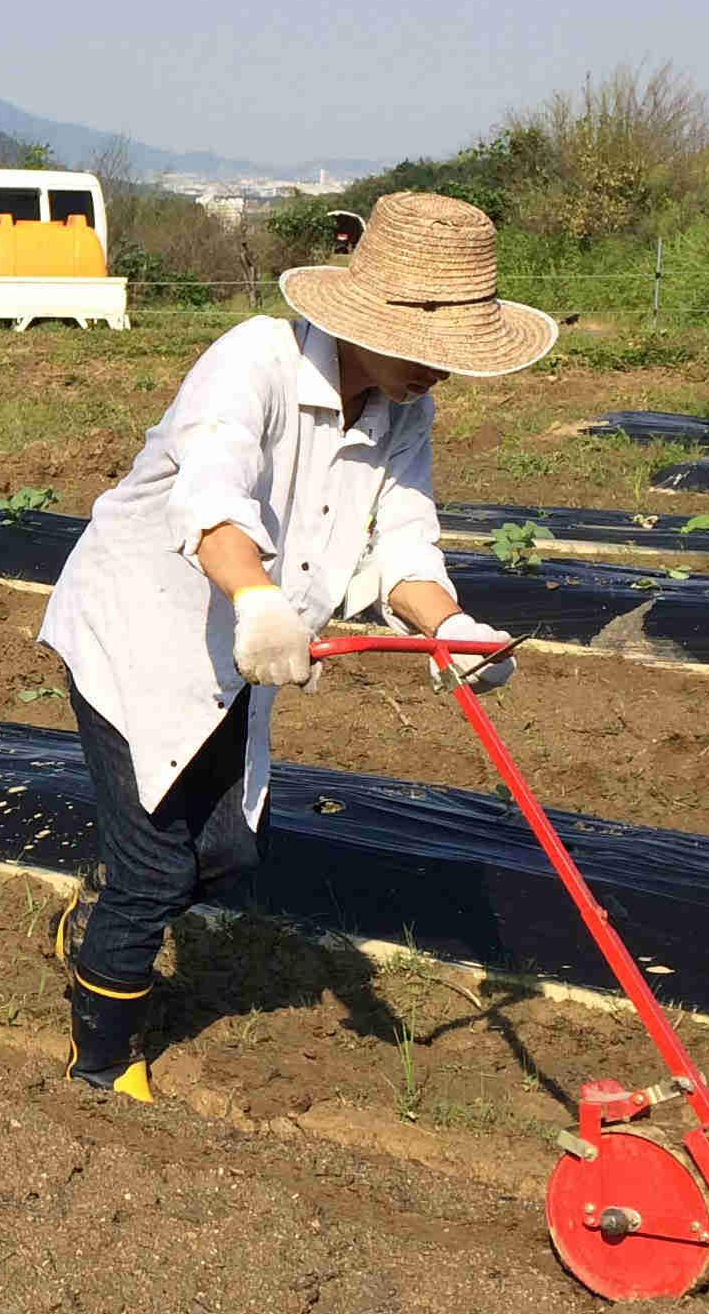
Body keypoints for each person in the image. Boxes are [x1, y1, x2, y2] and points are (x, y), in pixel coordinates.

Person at [37, 192, 547, 1102]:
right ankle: (102, 1067)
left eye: (454, 359)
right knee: (156, 867)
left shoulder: (402, 409)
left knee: (230, 851)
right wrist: (258, 596)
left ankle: (102, 909)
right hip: (141, 631)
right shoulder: (253, 364)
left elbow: (402, 544)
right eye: (428, 350)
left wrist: (449, 627)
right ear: (368, 317)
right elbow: (213, 492)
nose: (440, 373)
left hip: (247, 649)